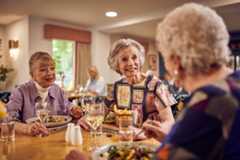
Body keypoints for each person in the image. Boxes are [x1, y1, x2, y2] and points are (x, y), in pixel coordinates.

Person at [142, 3, 240, 159]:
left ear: (176, 60)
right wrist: (173, 138)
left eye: (165, 56)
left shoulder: (211, 99)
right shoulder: (235, 81)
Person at [7, 51, 81, 136]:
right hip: (30, 140)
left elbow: (67, 106)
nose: (50, 73)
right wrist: (27, 128)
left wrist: (74, 110)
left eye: (52, 68)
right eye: (43, 70)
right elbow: (8, 121)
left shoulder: (57, 90)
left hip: (55, 138)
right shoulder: (20, 92)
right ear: (32, 75)